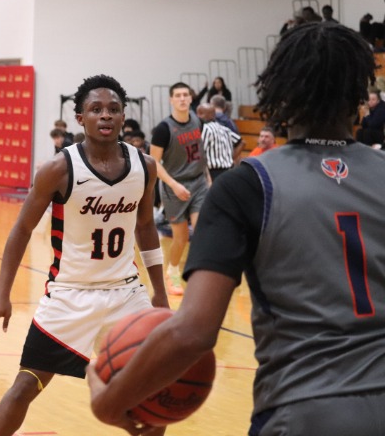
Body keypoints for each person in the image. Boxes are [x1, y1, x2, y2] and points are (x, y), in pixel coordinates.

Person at [87, 22, 385, 436]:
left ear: (281, 93)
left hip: (304, 409)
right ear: (360, 96)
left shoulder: (248, 184)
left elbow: (193, 333)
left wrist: (110, 402)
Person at [0, 74, 169, 436]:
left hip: (126, 294)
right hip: (69, 294)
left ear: (123, 116)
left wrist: (159, 291)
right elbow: (21, 230)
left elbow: (146, 227)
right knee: (25, 386)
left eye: (113, 109)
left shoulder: (144, 166)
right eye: (96, 109)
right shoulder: (58, 168)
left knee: (154, 392)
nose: (106, 115)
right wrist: (2, 295)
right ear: (80, 118)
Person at [149, 82, 210, 296]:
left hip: (198, 183)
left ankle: (198, 275)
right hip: (174, 185)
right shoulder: (163, 129)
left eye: (185, 95)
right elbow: (154, 163)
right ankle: (172, 272)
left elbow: (200, 154)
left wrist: (208, 179)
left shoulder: (198, 121)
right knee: (181, 238)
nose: (182, 98)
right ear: (171, 100)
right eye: (178, 95)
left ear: (191, 98)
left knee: (203, 231)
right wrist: (174, 185)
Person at [196, 103, 243, 181]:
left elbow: (199, 151)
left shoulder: (205, 129)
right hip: (228, 170)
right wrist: (231, 158)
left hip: (213, 172)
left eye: (200, 113)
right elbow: (241, 142)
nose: (197, 116)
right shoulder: (224, 129)